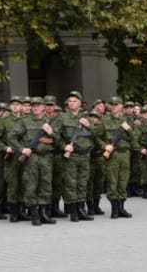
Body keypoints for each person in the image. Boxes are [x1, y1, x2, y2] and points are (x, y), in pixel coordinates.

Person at [8, 97, 56, 226]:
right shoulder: (25, 122)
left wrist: (51, 133)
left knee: (46, 184)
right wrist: (22, 149)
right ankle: (34, 214)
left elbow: (58, 140)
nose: (35, 108)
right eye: (33, 105)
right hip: (32, 157)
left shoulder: (49, 122)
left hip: (46, 157)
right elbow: (11, 136)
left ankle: (44, 214)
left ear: (43, 107)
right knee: (31, 185)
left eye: (38, 105)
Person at [52, 91, 96, 222]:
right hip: (71, 156)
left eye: (75, 101)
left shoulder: (86, 118)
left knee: (83, 183)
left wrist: (89, 126)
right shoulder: (62, 118)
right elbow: (54, 134)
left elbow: (96, 134)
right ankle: (73, 211)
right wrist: (63, 146)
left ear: (80, 103)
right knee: (71, 183)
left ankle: (81, 209)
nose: (72, 103)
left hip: (85, 155)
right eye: (70, 101)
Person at [101, 96, 134, 218]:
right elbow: (96, 137)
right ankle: (114, 209)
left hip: (125, 154)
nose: (113, 106)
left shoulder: (128, 120)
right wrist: (105, 146)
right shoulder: (104, 120)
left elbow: (135, 137)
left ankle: (121, 207)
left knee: (123, 180)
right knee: (112, 181)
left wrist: (128, 129)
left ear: (121, 106)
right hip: (113, 155)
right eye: (112, 104)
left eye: (116, 104)